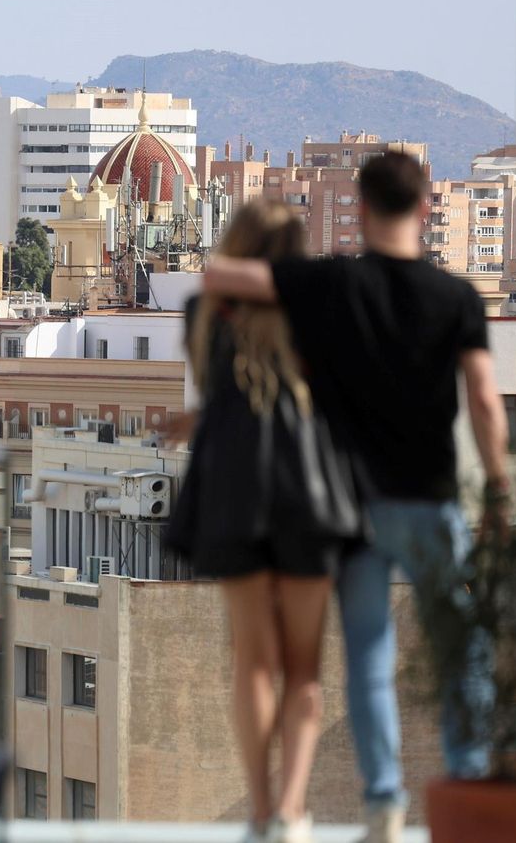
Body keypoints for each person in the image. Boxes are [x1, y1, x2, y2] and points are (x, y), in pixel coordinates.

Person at [205, 151, 508, 843]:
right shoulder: (456, 297)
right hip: (432, 503)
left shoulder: (332, 285)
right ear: (428, 208)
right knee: (462, 648)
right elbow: (486, 402)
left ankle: (384, 804)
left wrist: (243, 296)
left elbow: (223, 273)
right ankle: (471, 776)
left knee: (368, 660)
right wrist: (498, 487)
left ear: (362, 210)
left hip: (357, 509)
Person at [165, 200, 363, 843]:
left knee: (252, 660)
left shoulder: (204, 314)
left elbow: (227, 394)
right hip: (309, 494)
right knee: (304, 666)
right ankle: (292, 811)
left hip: (233, 494)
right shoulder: (321, 314)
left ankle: (257, 810)